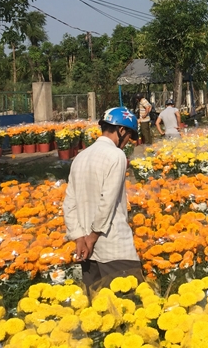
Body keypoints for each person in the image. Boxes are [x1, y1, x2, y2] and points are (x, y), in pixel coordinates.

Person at [64, 107, 142, 293]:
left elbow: (69, 203)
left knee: (97, 302)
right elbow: (107, 201)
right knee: (129, 300)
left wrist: (79, 238)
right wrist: (92, 237)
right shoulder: (116, 155)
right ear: (121, 130)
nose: (128, 142)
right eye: (129, 136)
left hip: (87, 251)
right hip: (113, 247)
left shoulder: (80, 157)